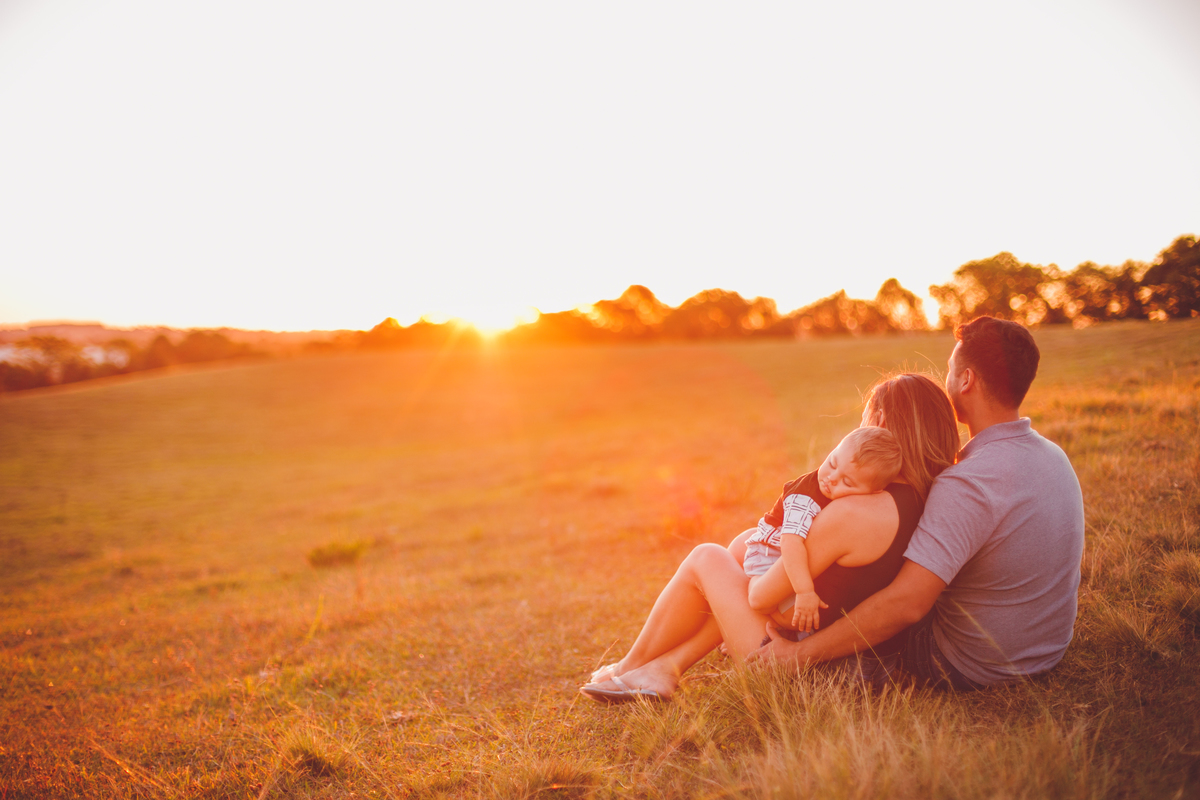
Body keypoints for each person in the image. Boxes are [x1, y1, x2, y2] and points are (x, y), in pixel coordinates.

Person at [579, 372, 960, 703]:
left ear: (878, 428)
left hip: (816, 673)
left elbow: (760, 596)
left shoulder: (853, 512)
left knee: (708, 558)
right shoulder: (928, 499)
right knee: (747, 543)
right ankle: (665, 667)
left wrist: (753, 580)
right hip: (870, 665)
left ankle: (626, 668)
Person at [755, 316, 1085, 690]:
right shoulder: (1054, 456)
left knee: (853, 596)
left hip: (976, 661)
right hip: (1048, 650)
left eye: (949, 370)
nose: (947, 382)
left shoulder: (967, 482)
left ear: (966, 380)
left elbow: (907, 605)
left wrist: (802, 655)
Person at [743, 426, 903, 635]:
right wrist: (805, 591)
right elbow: (790, 543)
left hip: (787, 553)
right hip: (769, 553)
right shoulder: (804, 499)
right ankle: (747, 608)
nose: (831, 478)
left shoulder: (858, 503)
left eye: (847, 481)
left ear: (873, 493)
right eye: (832, 463)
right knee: (783, 613)